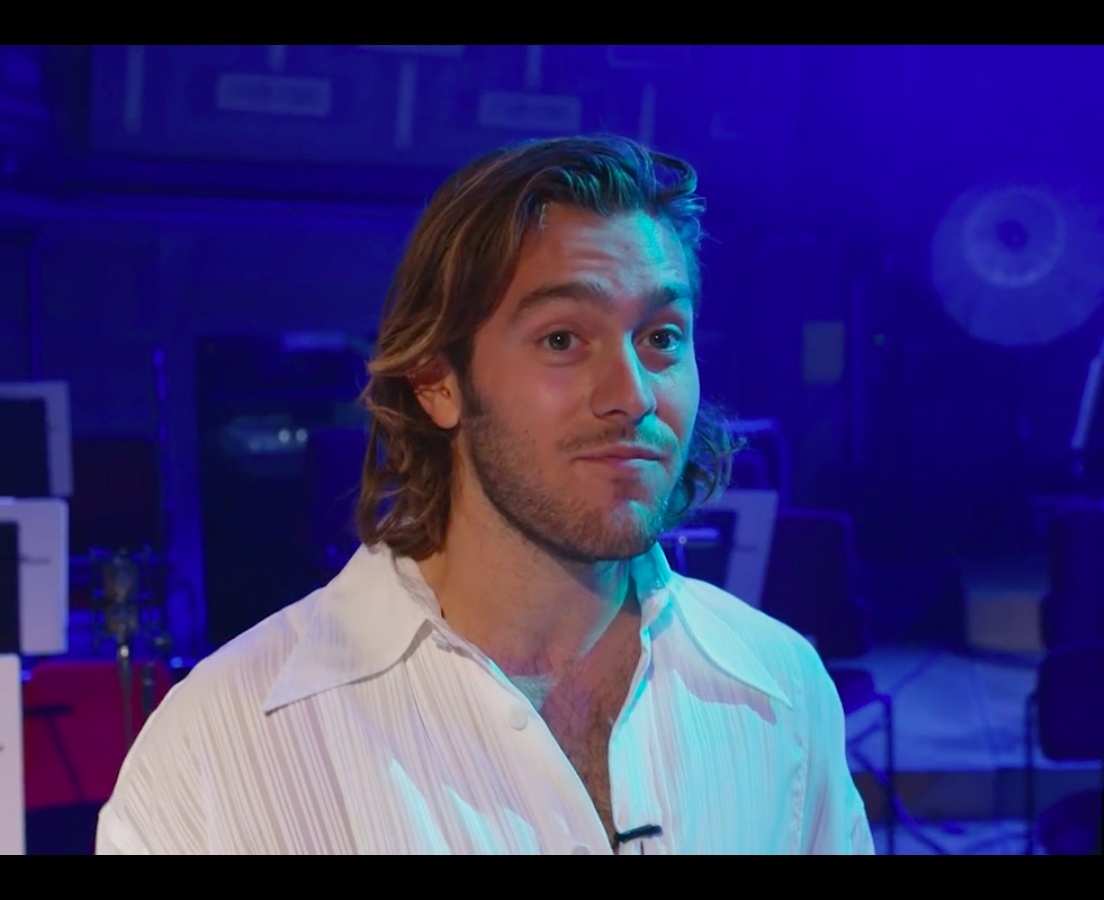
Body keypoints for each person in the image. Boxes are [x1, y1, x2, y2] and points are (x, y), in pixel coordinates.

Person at [95, 135, 873, 855]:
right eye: (562, 339)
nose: (633, 394)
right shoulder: (217, 748)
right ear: (437, 380)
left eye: (661, 337)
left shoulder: (779, 688)